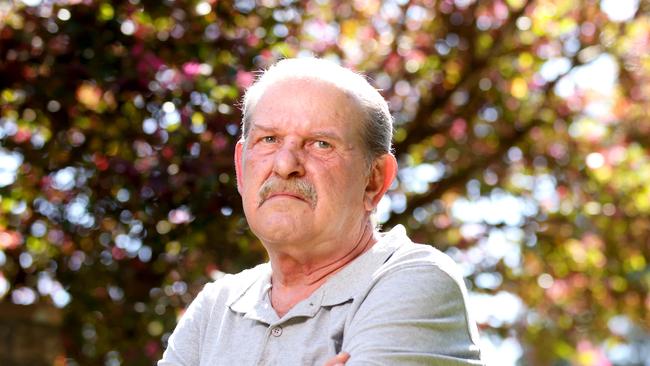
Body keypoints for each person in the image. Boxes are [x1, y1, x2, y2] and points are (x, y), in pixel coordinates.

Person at [158, 58, 483, 365]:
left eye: (320, 144)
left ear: (374, 180)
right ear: (241, 170)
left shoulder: (416, 282)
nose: (285, 165)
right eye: (269, 139)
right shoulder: (215, 307)